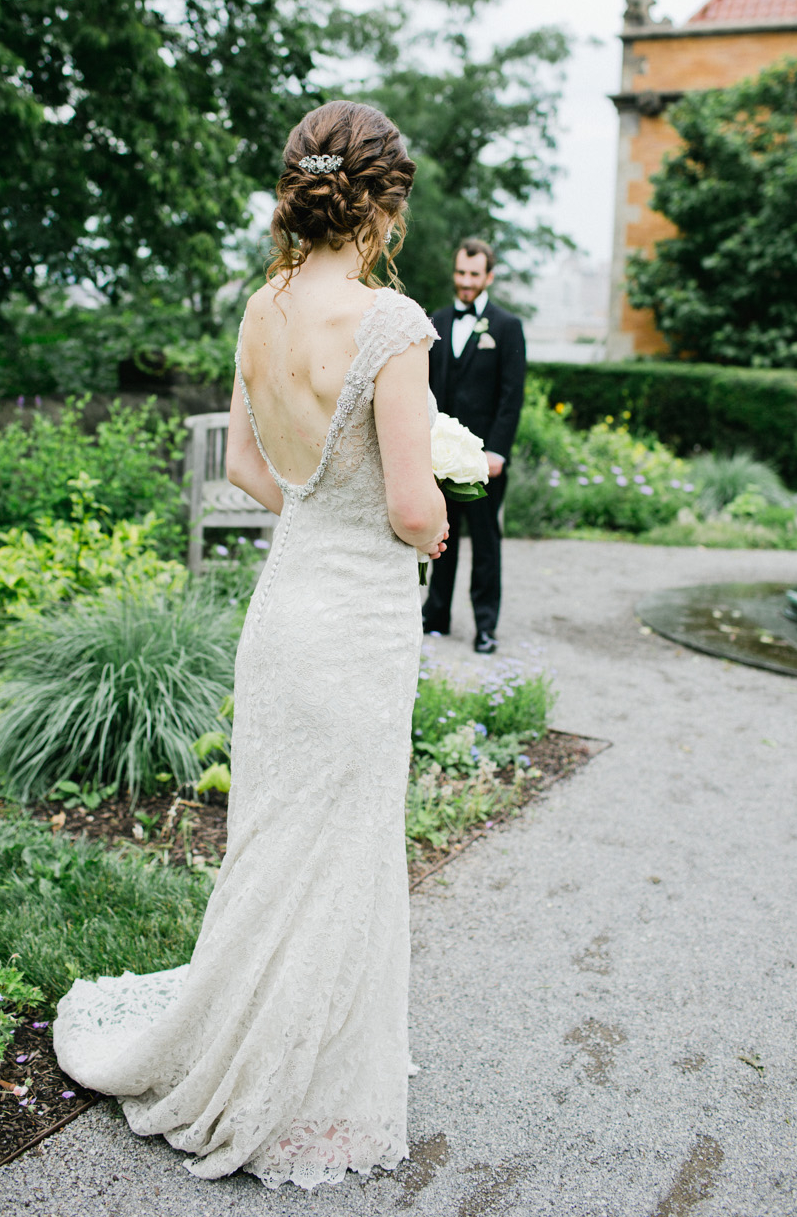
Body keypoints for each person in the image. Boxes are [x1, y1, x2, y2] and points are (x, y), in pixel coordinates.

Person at [52, 100, 449, 1190]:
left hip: (286, 609)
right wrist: (433, 521)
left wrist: (318, 518)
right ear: (385, 205)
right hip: (357, 619)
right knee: (343, 840)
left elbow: (243, 468)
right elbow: (410, 505)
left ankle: (248, 1042)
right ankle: (301, 1080)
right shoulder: (393, 325)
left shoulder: (261, 309)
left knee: (275, 840)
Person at [422, 238, 526, 654]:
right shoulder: (436, 321)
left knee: (485, 542)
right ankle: (436, 614)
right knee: (440, 535)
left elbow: (512, 395)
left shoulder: (506, 326)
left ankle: (485, 626)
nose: (466, 282)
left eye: (474, 274)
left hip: (485, 460)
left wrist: (497, 451)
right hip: (440, 455)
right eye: (461, 273)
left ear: (489, 276)